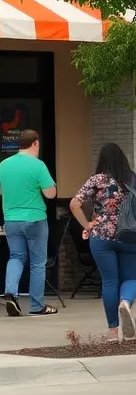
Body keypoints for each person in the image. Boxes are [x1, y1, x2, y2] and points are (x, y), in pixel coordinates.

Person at [70, 143, 136, 340]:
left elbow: (74, 203)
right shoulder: (132, 179)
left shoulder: (97, 180)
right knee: (131, 278)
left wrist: (88, 225)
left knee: (109, 281)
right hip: (129, 236)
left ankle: (112, 331)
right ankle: (125, 302)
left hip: (101, 236)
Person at [0, 129, 58, 316]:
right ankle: (37, 305)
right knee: (38, 263)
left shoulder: (4, 164)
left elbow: (0, 190)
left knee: (16, 257)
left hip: (11, 219)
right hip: (35, 219)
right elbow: (50, 193)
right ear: (36, 143)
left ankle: (10, 293)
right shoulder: (38, 165)